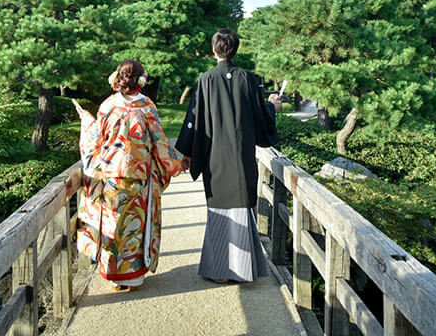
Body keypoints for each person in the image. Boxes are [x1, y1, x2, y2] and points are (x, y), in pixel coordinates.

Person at [175, 28, 281, 283]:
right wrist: (272, 108)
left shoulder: (206, 80)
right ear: (235, 49)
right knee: (243, 209)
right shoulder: (248, 79)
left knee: (219, 211)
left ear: (214, 50)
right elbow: (259, 117)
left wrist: (187, 153)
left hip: (215, 159)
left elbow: (194, 121)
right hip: (242, 158)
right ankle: (244, 270)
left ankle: (220, 270)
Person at [73, 59, 185, 291]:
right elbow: (160, 143)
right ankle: (134, 277)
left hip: (112, 177)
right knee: (136, 227)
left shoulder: (107, 106)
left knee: (114, 226)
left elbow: (94, 138)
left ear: (118, 78)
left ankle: (115, 278)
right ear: (141, 80)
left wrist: (86, 120)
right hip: (140, 177)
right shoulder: (146, 106)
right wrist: (175, 164)